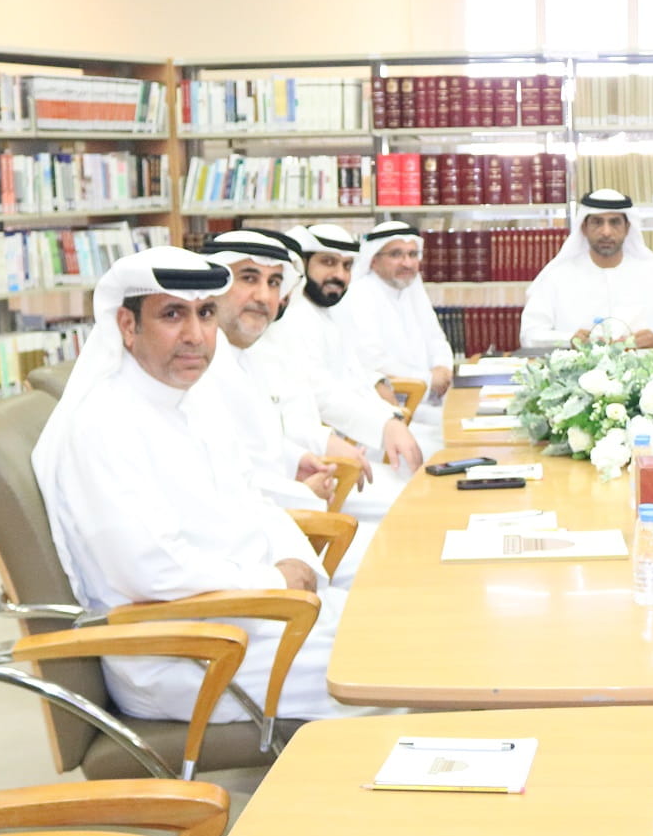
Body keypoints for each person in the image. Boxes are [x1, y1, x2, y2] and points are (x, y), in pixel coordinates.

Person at [33, 246, 380, 723]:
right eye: (173, 315)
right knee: (394, 672)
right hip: (184, 651)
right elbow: (151, 572)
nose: (195, 336)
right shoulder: (102, 424)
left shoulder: (190, 401)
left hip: (249, 615)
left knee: (401, 629)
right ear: (127, 326)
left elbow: (252, 500)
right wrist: (275, 581)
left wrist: (295, 561)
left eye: (206, 314)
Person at [191, 229, 401, 581]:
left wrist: (296, 460)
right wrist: (300, 492)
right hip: (247, 568)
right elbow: (219, 487)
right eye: (248, 278)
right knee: (398, 553)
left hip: (275, 533)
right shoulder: (196, 369)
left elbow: (259, 444)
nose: (265, 296)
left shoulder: (243, 354)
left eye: (275, 282)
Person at [262, 223, 422, 473]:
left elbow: (354, 372)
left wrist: (387, 412)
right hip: (323, 458)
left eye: (347, 266)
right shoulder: (292, 317)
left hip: (352, 440)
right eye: (328, 262)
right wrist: (383, 424)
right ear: (303, 266)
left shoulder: (333, 311)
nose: (339, 274)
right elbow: (322, 393)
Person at [519, 189, 653, 350]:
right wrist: (569, 339)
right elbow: (530, 334)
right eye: (597, 222)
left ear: (627, 228)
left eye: (614, 223)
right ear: (584, 227)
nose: (606, 232)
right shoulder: (557, 276)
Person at [334, 223, 456, 427]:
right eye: (396, 254)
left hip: (430, 399)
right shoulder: (358, 295)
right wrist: (427, 380)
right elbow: (372, 361)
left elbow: (437, 339)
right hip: (391, 409)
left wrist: (443, 367)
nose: (407, 263)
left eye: (412, 254)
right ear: (373, 260)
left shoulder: (412, 288)